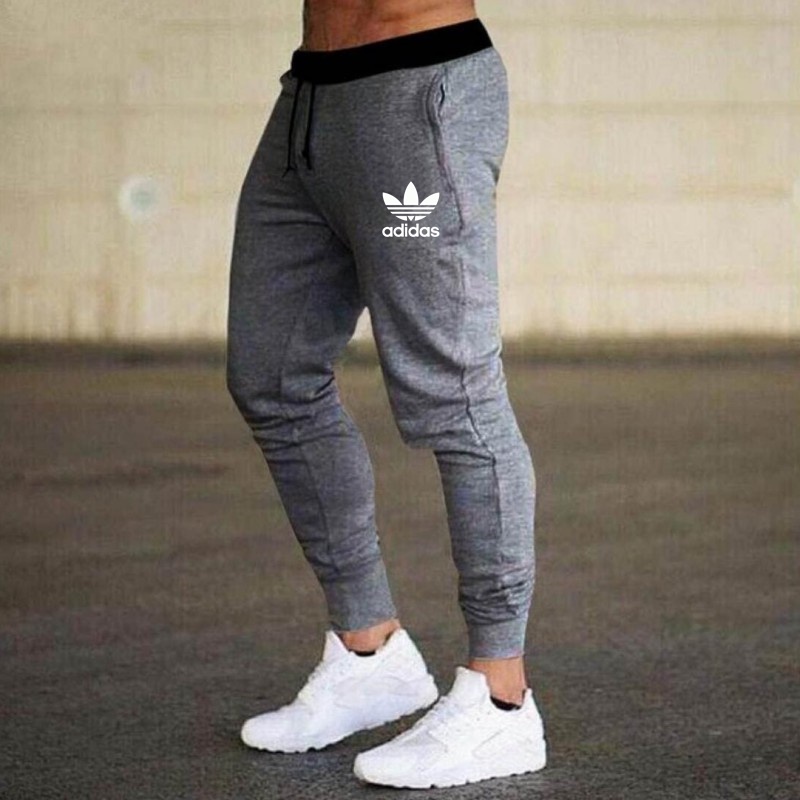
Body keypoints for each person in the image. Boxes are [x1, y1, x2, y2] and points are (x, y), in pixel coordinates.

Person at [225, 0, 546, 788]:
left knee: (454, 395)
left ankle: (501, 696)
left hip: (417, 87)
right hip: (309, 104)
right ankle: (369, 652)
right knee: (272, 376)